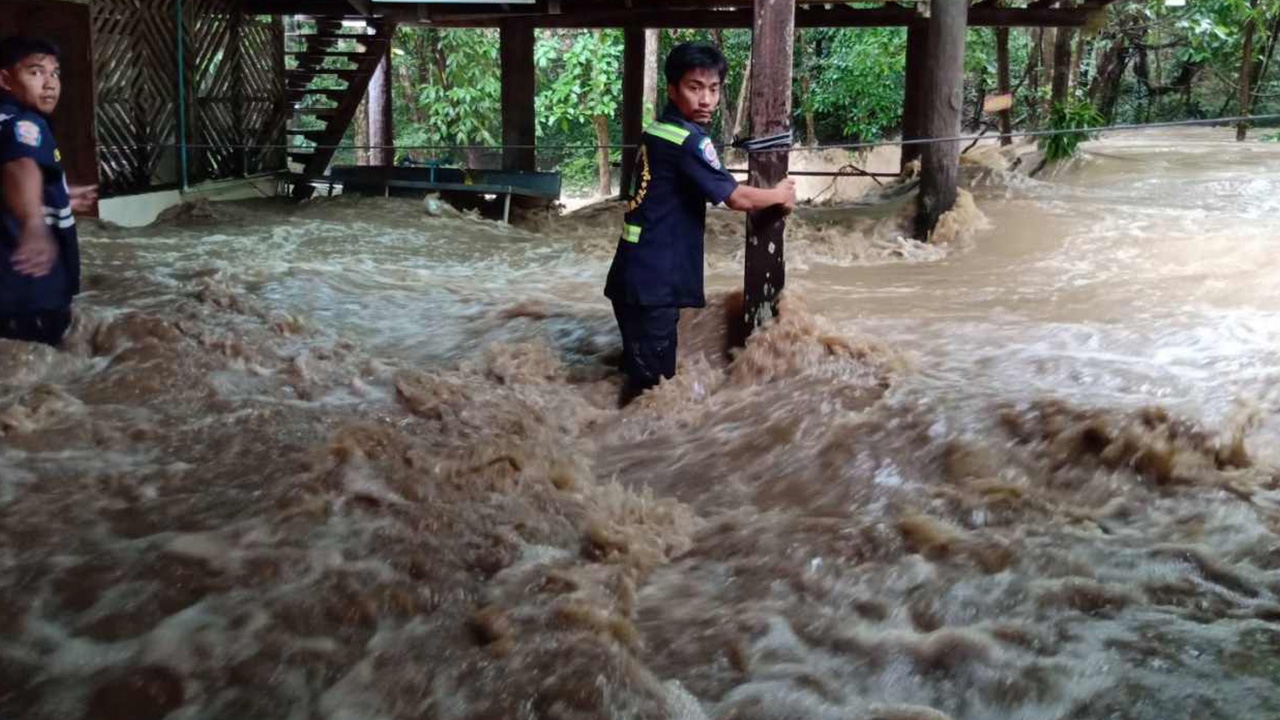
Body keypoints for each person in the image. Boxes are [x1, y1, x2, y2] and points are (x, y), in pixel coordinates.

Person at [604, 42, 796, 403]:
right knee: (654, 394)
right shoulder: (688, 141)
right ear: (673, 89)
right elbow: (737, 199)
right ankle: (636, 451)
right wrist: (779, 195)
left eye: (713, 88)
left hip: (634, 276)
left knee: (639, 382)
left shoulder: (658, 131)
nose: (706, 99)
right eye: (694, 88)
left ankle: (617, 443)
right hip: (653, 286)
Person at [0, 36, 96, 346]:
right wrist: (33, 223)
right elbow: (21, 165)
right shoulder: (24, 124)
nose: (50, 83)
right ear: (5, 78)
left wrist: (60, 198)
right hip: (32, 292)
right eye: (36, 72)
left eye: (55, 73)